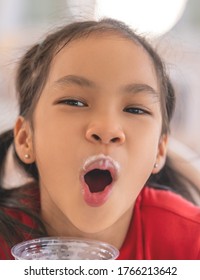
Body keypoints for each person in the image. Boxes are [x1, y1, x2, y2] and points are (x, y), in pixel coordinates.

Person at [0, 18, 200, 260]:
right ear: (25, 139)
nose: (107, 129)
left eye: (135, 109)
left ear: (159, 150)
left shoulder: (189, 243)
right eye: (74, 102)